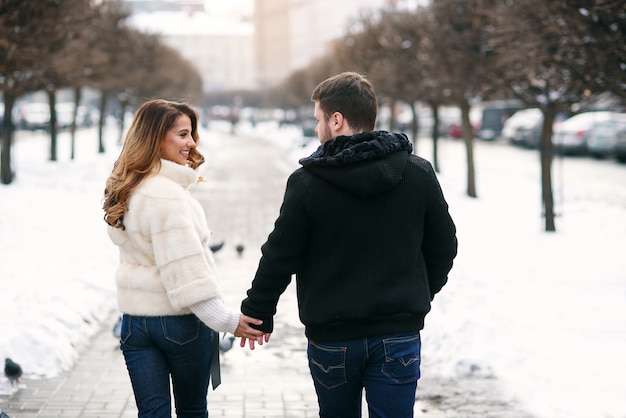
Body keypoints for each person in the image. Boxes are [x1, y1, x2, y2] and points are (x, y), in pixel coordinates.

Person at [240, 72, 458, 417]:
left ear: (336, 120)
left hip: (333, 338)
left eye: (318, 120)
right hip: (398, 334)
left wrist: (258, 311)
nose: (317, 129)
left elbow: (280, 255)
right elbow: (444, 246)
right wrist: (414, 294)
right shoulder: (418, 173)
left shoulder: (308, 183)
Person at [102, 99, 266, 418]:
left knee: (152, 413)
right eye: (183, 134)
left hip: (135, 324)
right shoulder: (167, 197)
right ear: (155, 137)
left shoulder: (128, 189)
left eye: (191, 134)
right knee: (192, 410)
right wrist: (230, 322)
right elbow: (186, 275)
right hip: (180, 325)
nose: (191, 143)